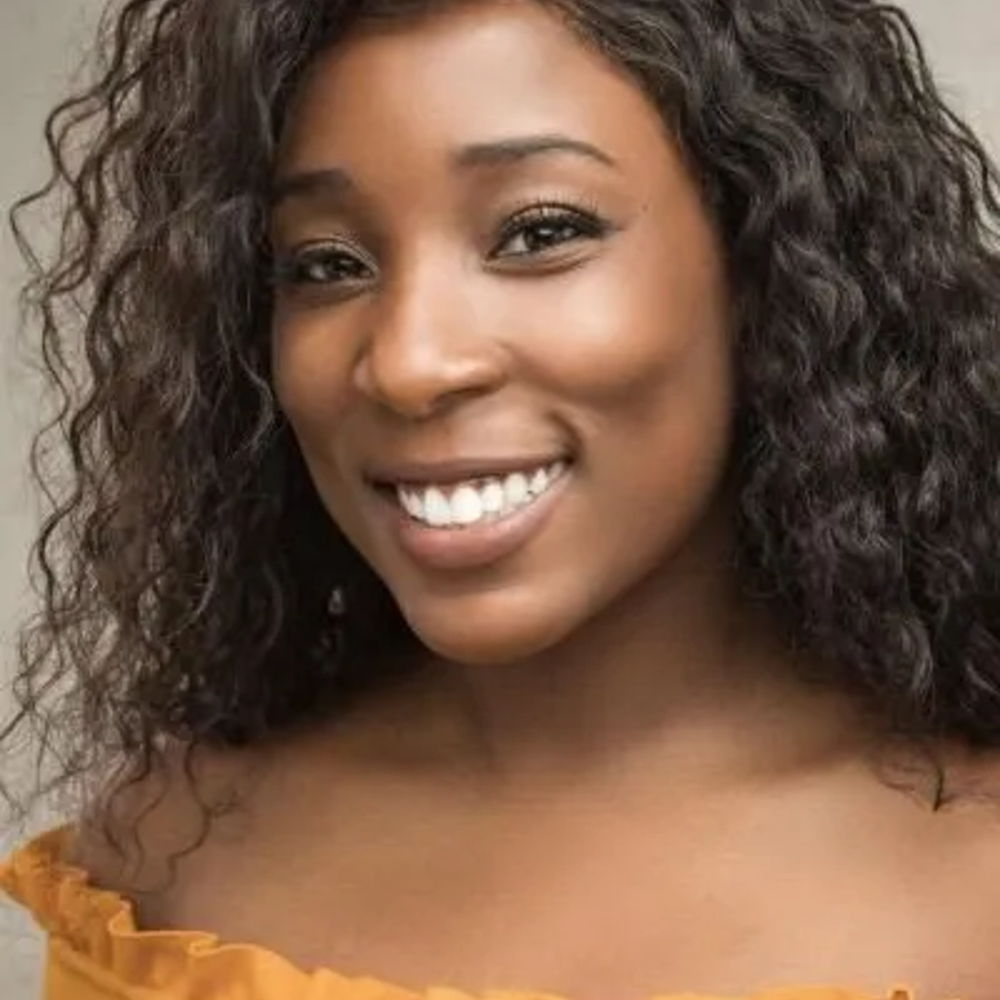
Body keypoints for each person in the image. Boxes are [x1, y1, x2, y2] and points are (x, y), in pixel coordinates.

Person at [2, 0, 1000, 997]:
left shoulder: (975, 889)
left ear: (767, 265)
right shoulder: (170, 859)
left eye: (539, 233)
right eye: (327, 264)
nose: (408, 363)